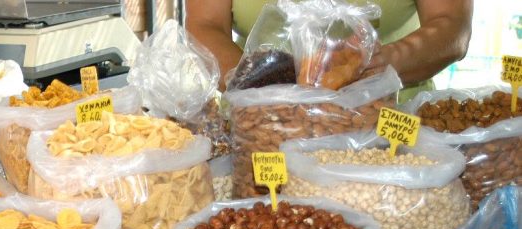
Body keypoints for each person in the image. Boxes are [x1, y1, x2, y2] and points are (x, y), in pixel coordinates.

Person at [186, 0, 473, 93]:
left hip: (390, 122)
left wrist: (384, 63)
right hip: (262, 123)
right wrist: (253, 86)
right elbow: (204, 24)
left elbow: (452, 24)